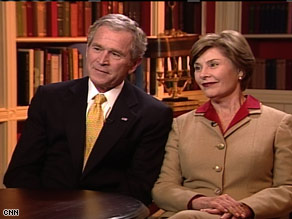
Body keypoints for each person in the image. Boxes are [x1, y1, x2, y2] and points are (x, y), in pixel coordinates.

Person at [4, 14, 173, 206]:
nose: (102, 60)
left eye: (115, 54)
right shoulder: (50, 98)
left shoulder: (152, 114)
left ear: (134, 64)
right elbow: (20, 172)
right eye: (97, 48)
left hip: (110, 214)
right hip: (44, 209)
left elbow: (139, 187)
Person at [152, 30, 292, 218]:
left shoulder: (278, 124)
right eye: (198, 67)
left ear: (240, 70)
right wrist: (200, 201)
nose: (203, 75)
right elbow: (163, 188)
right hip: (191, 213)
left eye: (213, 65)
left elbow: (287, 189)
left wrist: (245, 207)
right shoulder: (181, 125)